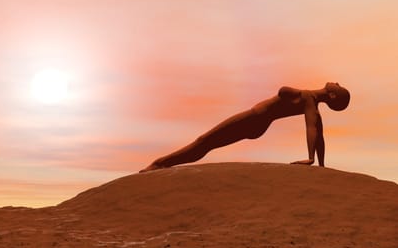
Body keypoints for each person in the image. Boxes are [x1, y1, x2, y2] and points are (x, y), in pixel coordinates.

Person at [139, 82, 350, 172]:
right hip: (257, 123)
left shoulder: (308, 100)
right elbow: (318, 131)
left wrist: (312, 160)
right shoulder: (310, 100)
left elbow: (313, 128)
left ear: (332, 96)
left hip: (254, 119)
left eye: (338, 88)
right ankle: (163, 163)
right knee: (207, 143)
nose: (336, 82)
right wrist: (319, 164)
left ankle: (160, 164)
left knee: (205, 141)